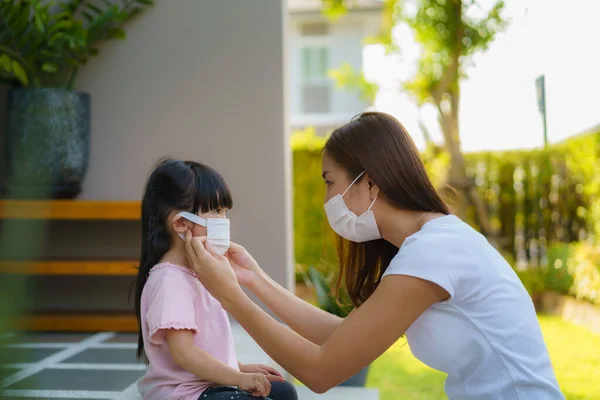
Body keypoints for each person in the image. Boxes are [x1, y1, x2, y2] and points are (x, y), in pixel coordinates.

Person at [183, 113, 565, 400]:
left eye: (330, 182)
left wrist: (231, 297)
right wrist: (254, 281)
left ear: (368, 182)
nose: (327, 199)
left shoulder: (433, 252)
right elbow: (343, 339)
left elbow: (322, 370)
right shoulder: (426, 244)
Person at [133, 159, 298, 400]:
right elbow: (185, 354)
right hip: (186, 395)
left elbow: (206, 347)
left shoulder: (197, 274)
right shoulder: (170, 280)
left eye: (225, 212)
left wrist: (240, 367)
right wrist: (239, 379)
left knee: (284, 392)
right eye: (217, 211)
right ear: (181, 223)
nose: (224, 220)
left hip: (207, 387)